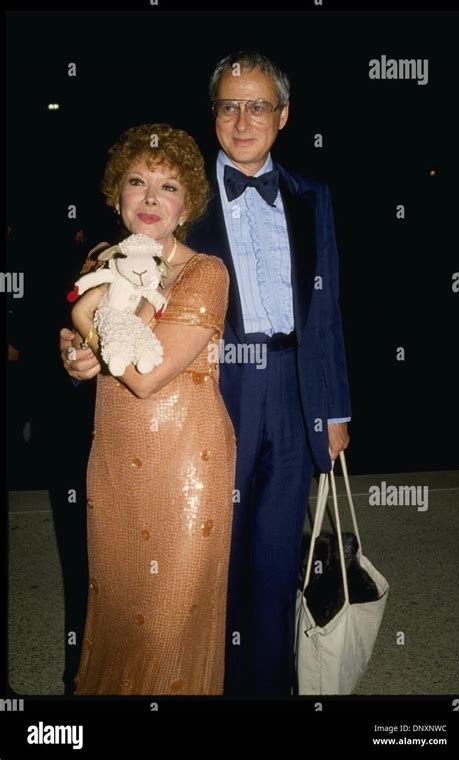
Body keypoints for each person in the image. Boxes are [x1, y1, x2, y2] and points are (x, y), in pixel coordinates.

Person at [61, 51, 351, 697]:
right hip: (210, 395)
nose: (243, 119)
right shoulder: (181, 200)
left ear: (283, 116)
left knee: (276, 568)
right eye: (229, 105)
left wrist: (334, 411)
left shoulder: (312, 196)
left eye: (257, 106)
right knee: (198, 576)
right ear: (214, 113)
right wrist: (77, 353)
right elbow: (120, 304)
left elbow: (325, 310)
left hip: (294, 388)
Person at [68, 123, 236, 695]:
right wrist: (71, 353)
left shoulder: (205, 273)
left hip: (187, 467)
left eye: (167, 186)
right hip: (114, 461)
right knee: (117, 613)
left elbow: (144, 376)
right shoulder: (101, 259)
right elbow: (78, 342)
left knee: (168, 629)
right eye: (137, 182)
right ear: (117, 195)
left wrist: (84, 324)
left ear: (186, 203)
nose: (150, 197)